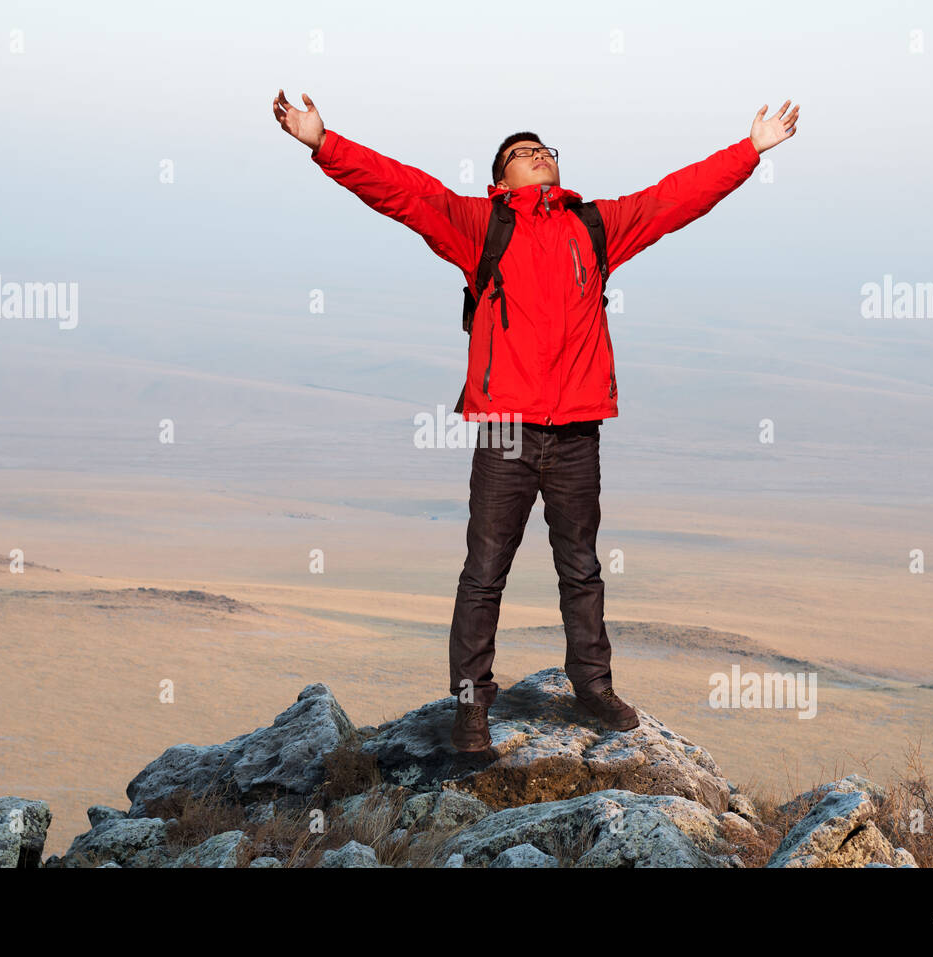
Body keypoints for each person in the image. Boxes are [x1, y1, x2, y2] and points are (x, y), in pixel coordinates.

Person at [272, 89, 799, 751]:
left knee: (580, 566)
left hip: (577, 428)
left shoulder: (596, 224)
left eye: (542, 150)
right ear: (499, 181)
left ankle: (593, 687)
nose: (536, 157)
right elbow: (401, 191)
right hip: (506, 429)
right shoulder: (478, 226)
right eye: (520, 155)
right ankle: (470, 707)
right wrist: (324, 142)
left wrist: (749, 149)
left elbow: (675, 197)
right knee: (485, 570)